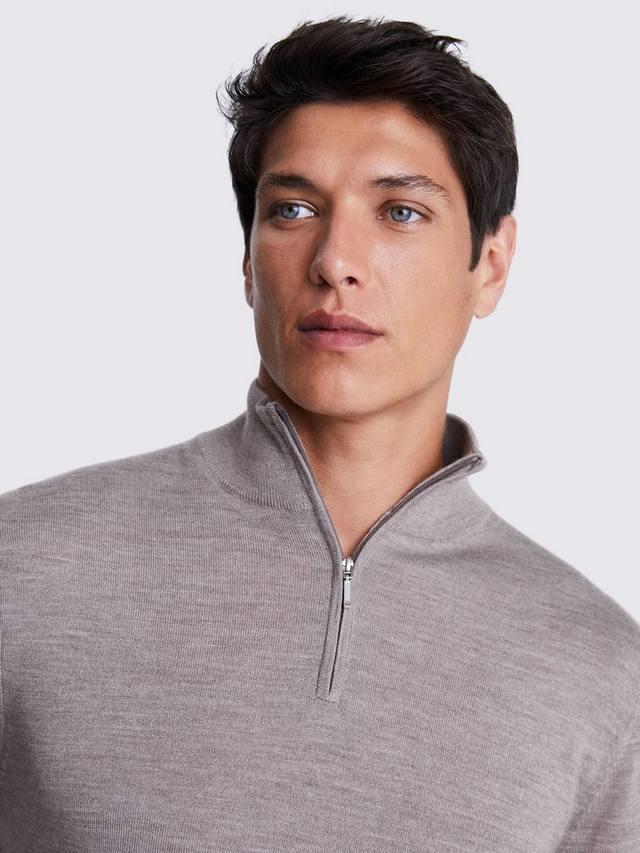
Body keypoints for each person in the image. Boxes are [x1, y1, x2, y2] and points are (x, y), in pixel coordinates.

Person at [0, 15, 638, 852]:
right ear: (247, 258)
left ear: (491, 264)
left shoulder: (600, 672)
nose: (336, 260)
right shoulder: (25, 567)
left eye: (400, 211)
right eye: (293, 209)